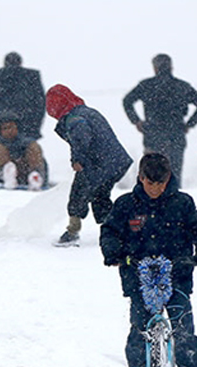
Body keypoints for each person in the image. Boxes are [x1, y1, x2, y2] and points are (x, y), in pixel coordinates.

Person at [100, 153, 197, 367]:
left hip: (177, 274)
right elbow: (110, 230)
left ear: (168, 179)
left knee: (183, 323)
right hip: (137, 274)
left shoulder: (182, 203)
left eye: (160, 183)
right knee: (139, 324)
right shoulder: (126, 205)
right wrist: (113, 252)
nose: (155, 189)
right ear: (141, 179)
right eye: (150, 183)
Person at [46, 84, 133, 247]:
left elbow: (81, 135)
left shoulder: (73, 117)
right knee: (100, 196)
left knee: (78, 195)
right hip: (115, 163)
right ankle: (116, 231)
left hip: (97, 164)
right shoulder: (86, 111)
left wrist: (77, 159)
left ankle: (72, 232)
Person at [122, 54, 197, 187]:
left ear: (155, 68)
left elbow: (127, 101)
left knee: (151, 175)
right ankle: (173, 202)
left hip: (153, 135)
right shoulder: (182, 86)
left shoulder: (146, 85)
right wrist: (189, 124)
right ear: (171, 67)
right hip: (176, 135)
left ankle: (151, 203)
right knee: (173, 174)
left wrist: (137, 121)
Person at [0, 52, 46, 144]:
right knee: (30, 154)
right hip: (27, 127)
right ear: (20, 62)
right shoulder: (32, 76)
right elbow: (40, 103)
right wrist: (35, 126)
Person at [0, 112, 47, 190]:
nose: (9, 131)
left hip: (26, 176)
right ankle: (6, 174)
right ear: (0, 131)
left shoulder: (27, 144)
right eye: (5, 128)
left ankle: (35, 176)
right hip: (2, 179)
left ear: (17, 128)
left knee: (34, 147)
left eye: (11, 127)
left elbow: (43, 165)